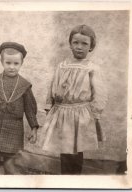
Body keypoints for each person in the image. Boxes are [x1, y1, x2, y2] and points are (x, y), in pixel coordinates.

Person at [39, 25, 107, 174]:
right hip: (62, 112)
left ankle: (75, 180)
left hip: (81, 114)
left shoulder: (92, 68)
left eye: (84, 44)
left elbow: (100, 93)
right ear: (70, 44)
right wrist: (49, 106)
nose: (79, 47)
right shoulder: (62, 66)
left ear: (91, 47)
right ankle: (66, 179)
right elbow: (52, 86)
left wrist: (94, 114)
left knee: (76, 150)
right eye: (75, 42)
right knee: (65, 148)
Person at [0, 42, 39, 174]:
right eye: (8, 63)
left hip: (14, 128)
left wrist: (34, 128)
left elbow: (30, 109)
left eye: (16, 64)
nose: (12, 67)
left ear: (21, 63)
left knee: (10, 163)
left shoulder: (24, 85)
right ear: (2, 62)